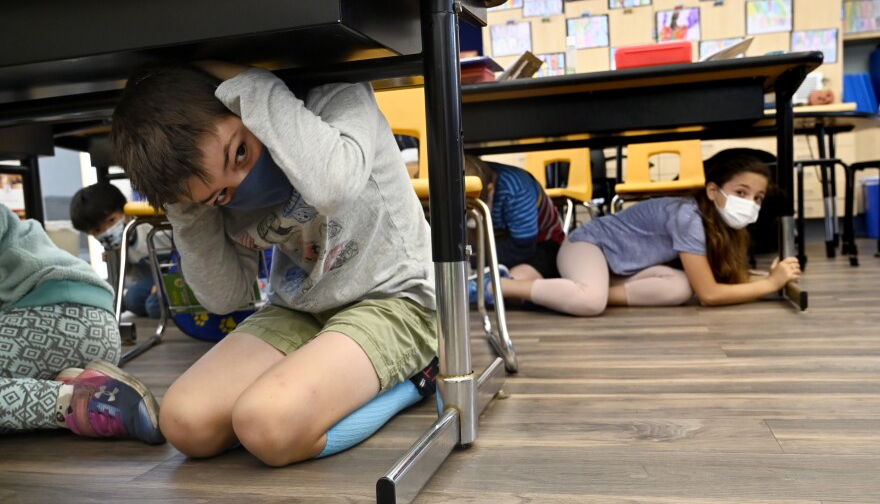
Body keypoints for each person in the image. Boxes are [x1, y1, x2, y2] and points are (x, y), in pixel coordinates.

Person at [110, 61, 438, 465]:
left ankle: (416, 378)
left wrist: (250, 85)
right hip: (300, 308)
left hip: (393, 298)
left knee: (267, 425)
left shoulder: (337, 95)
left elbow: (333, 187)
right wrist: (190, 208)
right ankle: (324, 380)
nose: (243, 180)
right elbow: (224, 295)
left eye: (241, 151)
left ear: (236, 99)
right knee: (184, 423)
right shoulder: (211, 194)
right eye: (219, 194)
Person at [498, 154, 802, 316]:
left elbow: (712, 280)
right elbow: (710, 294)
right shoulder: (688, 217)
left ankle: (564, 293)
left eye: (757, 198)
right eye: (741, 192)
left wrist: (766, 277)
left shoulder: (718, 225)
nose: (749, 204)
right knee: (590, 302)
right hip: (587, 246)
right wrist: (770, 284)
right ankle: (502, 287)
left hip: (618, 267)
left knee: (682, 287)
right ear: (712, 191)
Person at [0, 202, 164, 444]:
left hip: (46, 315)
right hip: (90, 318)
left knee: (143, 300)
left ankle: (79, 402)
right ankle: (65, 384)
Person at [463, 155, 566, 303]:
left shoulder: (517, 189)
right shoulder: (463, 177)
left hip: (540, 244)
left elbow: (523, 247)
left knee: (514, 281)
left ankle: (481, 284)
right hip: (493, 244)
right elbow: (464, 237)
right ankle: (478, 279)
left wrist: (475, 260)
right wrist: (467, 255)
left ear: (490, 190)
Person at [70, 182, 173, 319]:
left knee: (150, 306)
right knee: (129, 299)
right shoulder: (117, 245)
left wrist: (163, 282)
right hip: (153, 281)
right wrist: (118, 260)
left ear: (125, 209)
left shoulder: (150, 227)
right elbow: (134, 276)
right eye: (97, 230)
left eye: (111, 220)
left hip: (176, 274)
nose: (107, 230)